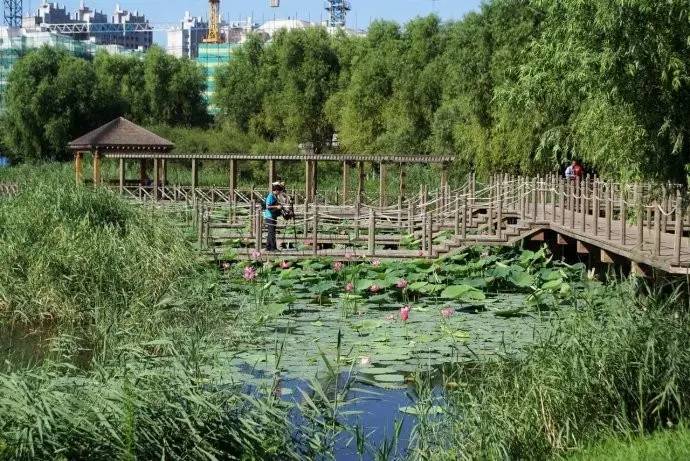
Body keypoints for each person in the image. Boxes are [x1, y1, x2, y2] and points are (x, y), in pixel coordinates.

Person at [264, 182, 284, 252]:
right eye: (279, 191)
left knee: (271, 232)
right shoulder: (270, 196)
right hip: (269, 216)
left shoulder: (274, 196)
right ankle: (273, 248)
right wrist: (276, 206)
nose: (279, 193)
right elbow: (267, 206)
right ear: (276, 190)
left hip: (273, 216)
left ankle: (268, 247)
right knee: (272, 232)